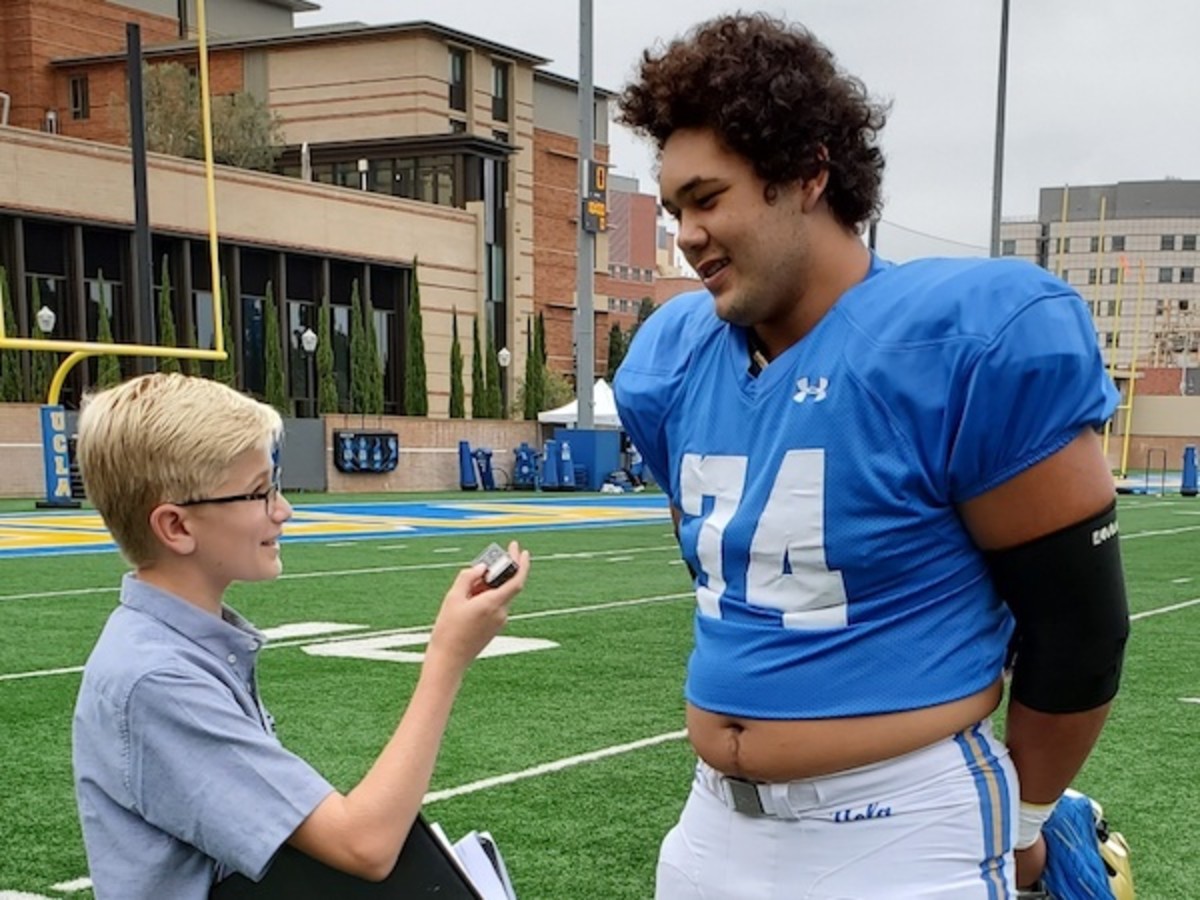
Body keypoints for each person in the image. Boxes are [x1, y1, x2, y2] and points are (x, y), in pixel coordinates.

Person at [613, 13, 1128, 899]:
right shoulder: (673, 357)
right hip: (711, 823)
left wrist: (1028, 822)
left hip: (901, 826)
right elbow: (726, 574)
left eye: (708, 199)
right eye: (674, 210)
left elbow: (1080, 632)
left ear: (807, 174)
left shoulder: (960, 339)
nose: (686, 235)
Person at [71, 372, 530, 900]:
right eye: (259, 492)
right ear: (176, 527)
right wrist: (448, 655)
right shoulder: (155, 679)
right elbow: (365, 844)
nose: (283, 509)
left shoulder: (182, 646)